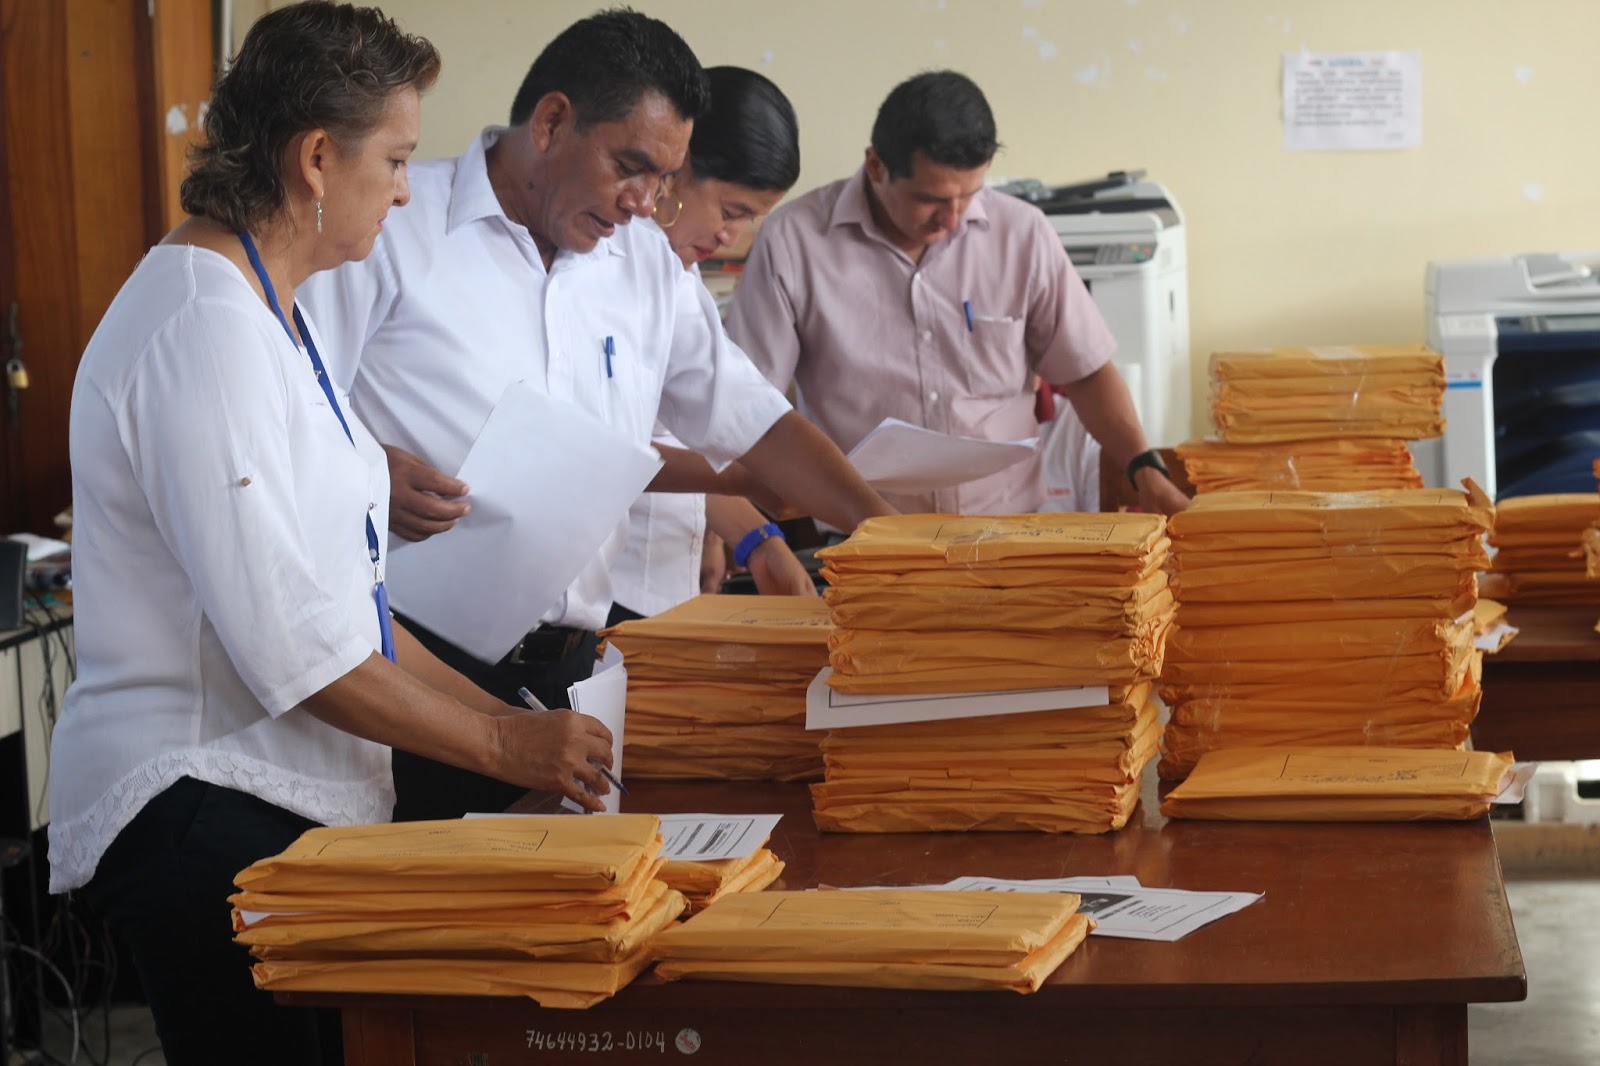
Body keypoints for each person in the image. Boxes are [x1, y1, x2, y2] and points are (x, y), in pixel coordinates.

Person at [47, 6, 614, 1063]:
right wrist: (502, 746)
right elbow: (296, 651)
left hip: (268, 797)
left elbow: (352, 613)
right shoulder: (204, 325)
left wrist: (518, 726)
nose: (405, 190)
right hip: (199, 804)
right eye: (394, 159)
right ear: (316, 158)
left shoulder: (273, 305)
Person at [299, 10, 892, 822]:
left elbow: (755, 419)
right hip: (410, 668)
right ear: (551, 123)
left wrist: (892, 535)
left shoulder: (643, 261)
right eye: (630, 166)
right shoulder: (394, 224)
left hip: (573, 670)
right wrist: (369, 468)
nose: (644, 202)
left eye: (664, 179)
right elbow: (292, 411)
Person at [727, 70, 1190, 518]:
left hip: (1010, 529)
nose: (951, 219)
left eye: (968, 195)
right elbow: (746, 406)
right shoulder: (794, 242)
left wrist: (1143, 467)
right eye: (930, 199)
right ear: (876, 166)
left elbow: (1085, 372)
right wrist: (734, 529)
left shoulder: (1021, 233)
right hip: (865, 538)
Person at [610, 66, 817, 627]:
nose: (733, 237)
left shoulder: (680, 269)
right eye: (731, 212)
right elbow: (615, 452)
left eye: (749, 219)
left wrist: (756, 538)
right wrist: (755, 486)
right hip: (605, 579)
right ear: (675, 168)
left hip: (665, 578)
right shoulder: (610, 260)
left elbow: (700, 432)